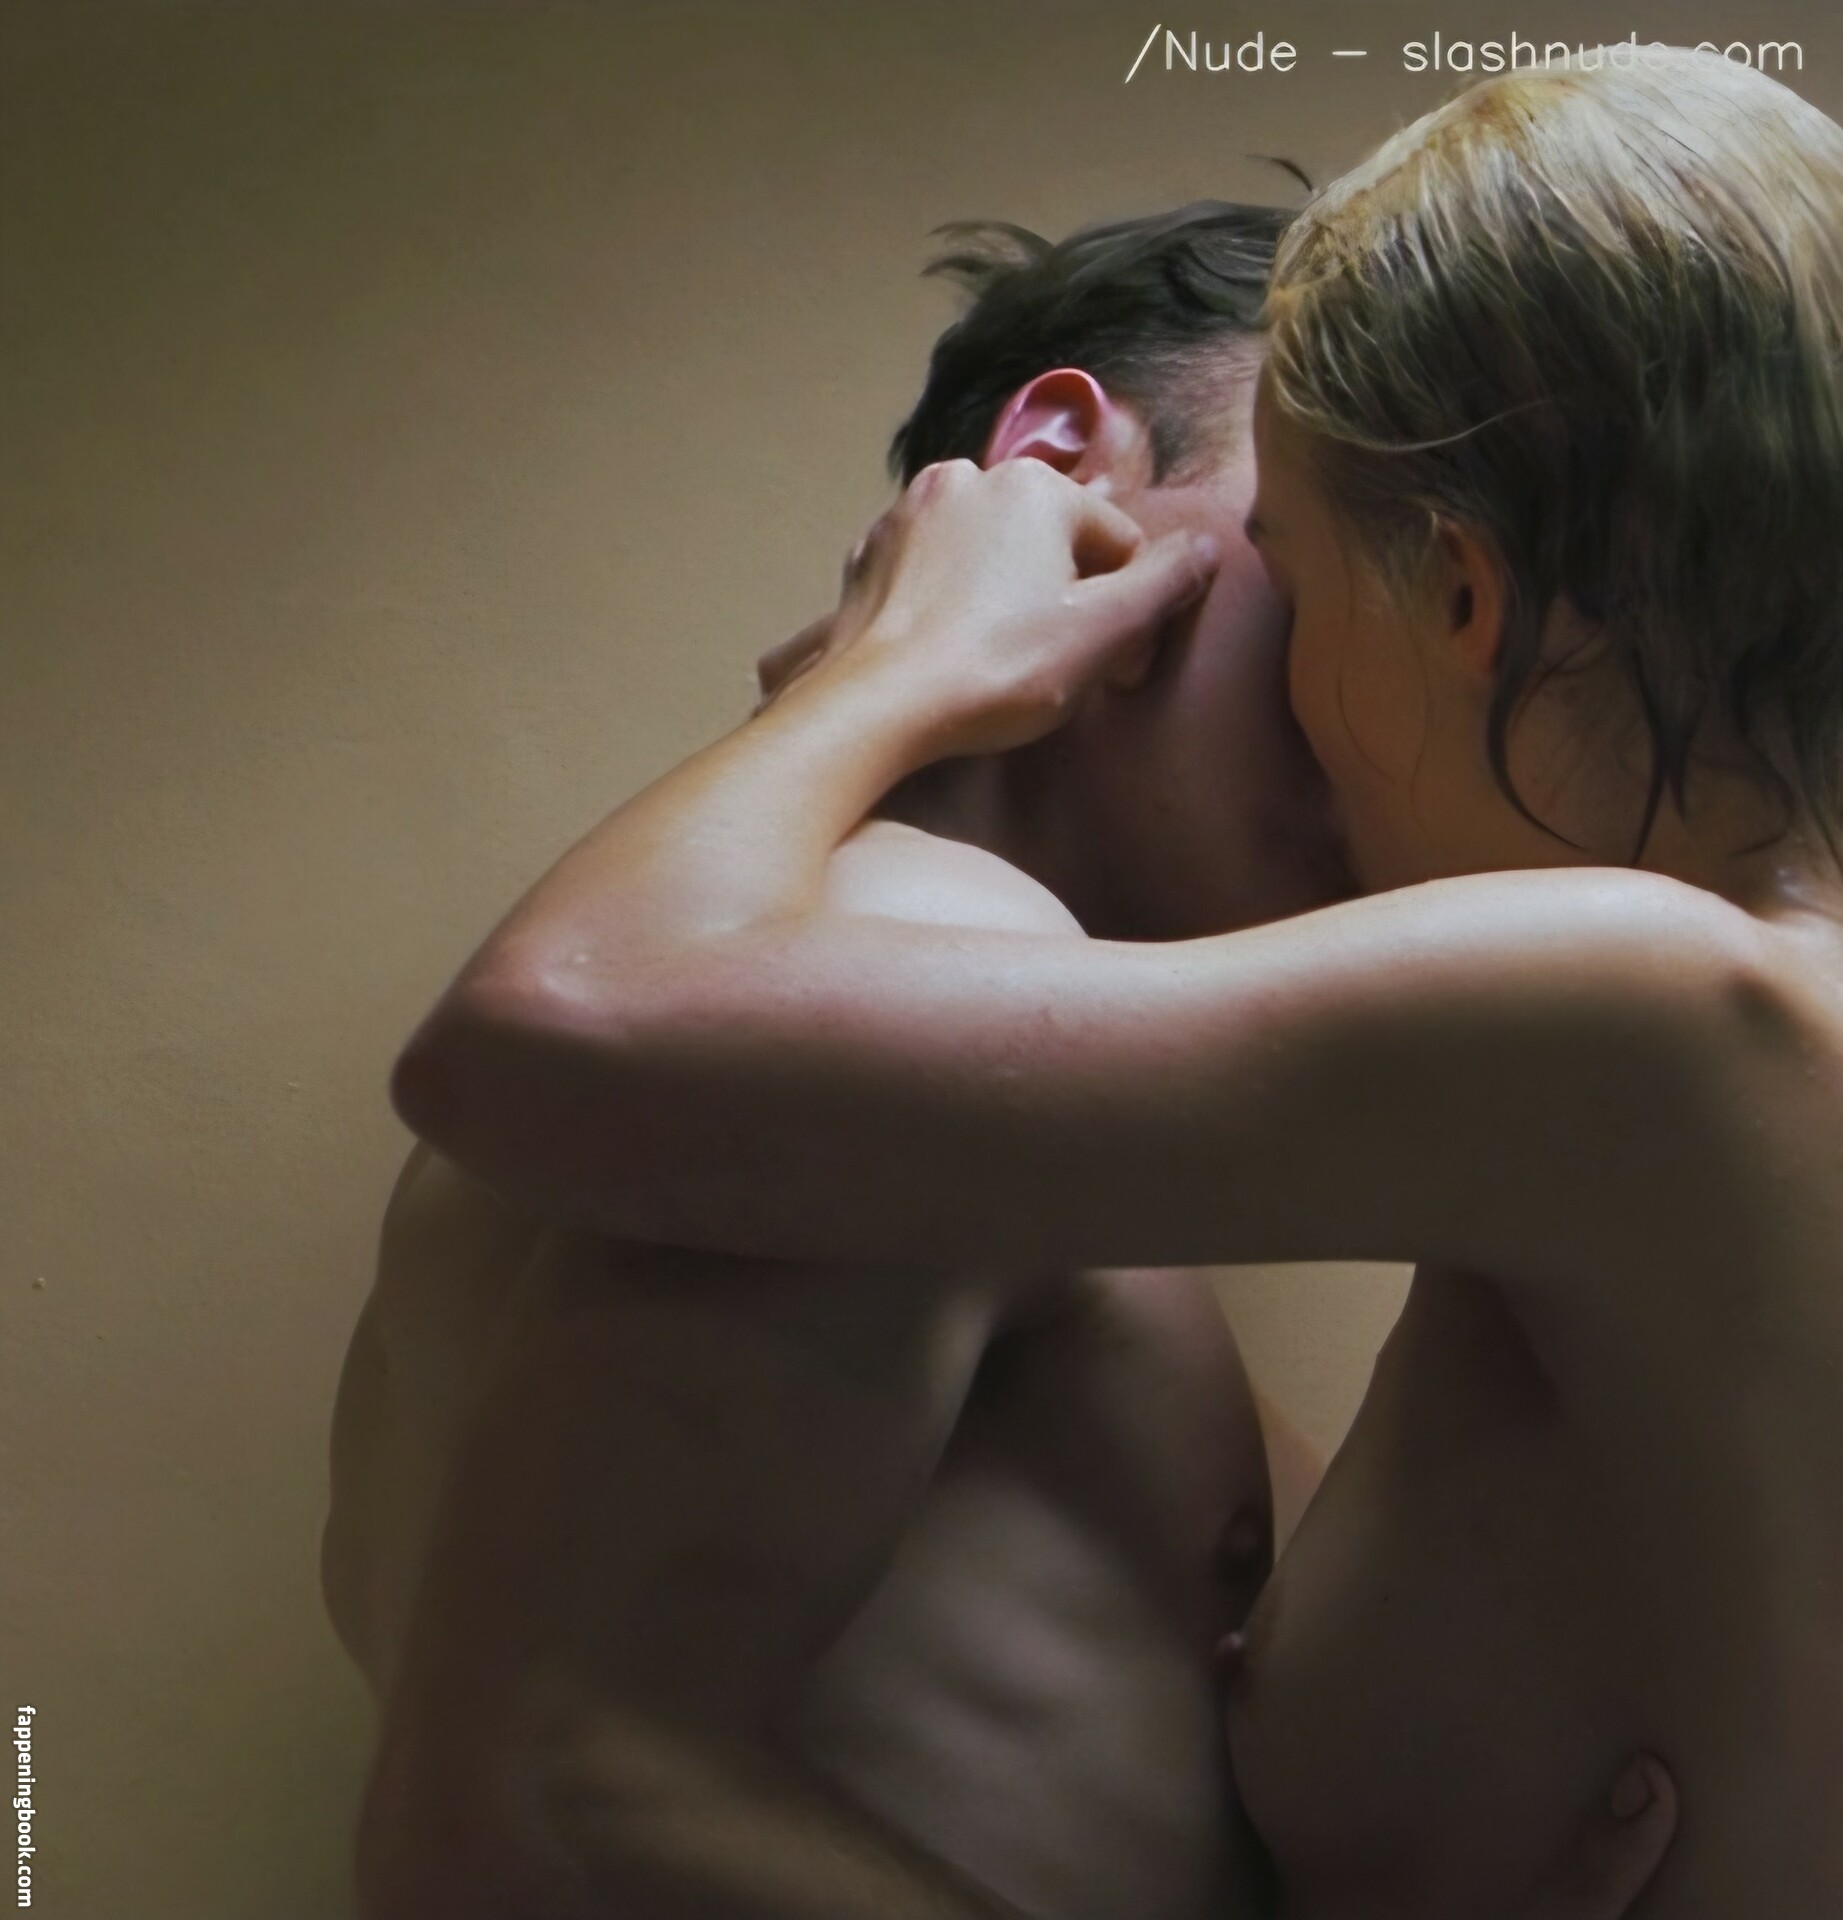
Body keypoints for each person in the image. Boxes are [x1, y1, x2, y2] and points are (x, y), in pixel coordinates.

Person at [390, 47, 1843, 1920]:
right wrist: (909, 674)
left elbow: (570, 1016)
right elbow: (540, 1793)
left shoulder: (1643, 1017)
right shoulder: (1011, 1024)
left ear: (1462, 596)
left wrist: (885, 679)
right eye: (1284, 565)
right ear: (1058, 477)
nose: (1312, 679)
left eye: (1314, 581)